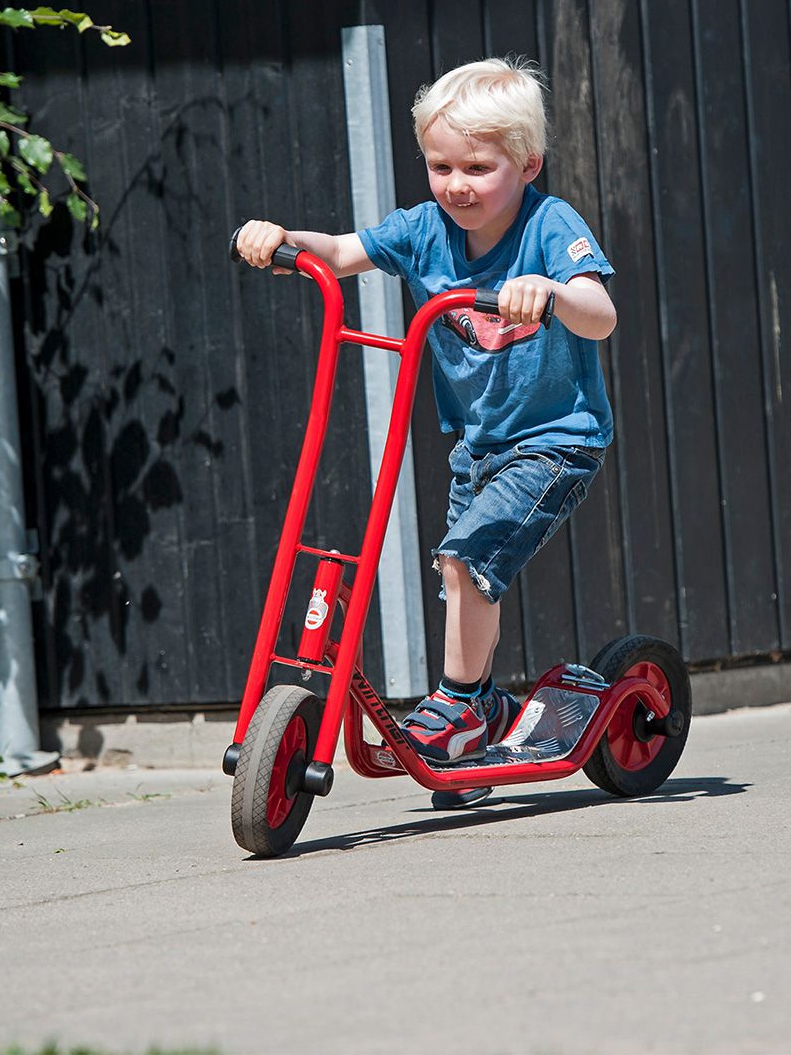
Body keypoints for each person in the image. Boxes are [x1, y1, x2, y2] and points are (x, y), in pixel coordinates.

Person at [234, 56, 616, 772]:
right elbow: (345, 251)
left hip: (555, 441)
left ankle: (457, 703)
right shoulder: (423, 229)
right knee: (458, 572)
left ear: (529, 163)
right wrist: (282, 242)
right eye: (440, 167)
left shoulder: (549, 225)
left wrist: (552, 291)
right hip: (480, 444)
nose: (455, 186)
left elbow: (600, 315)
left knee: (463, 560)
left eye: (476, 167)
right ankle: (483, 707)